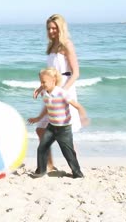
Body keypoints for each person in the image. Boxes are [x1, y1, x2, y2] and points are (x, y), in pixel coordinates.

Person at [33, 14, 81, 171]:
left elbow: (76, 73)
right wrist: (42, 87)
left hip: (65, 91)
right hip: (52, 93)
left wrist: (63, 91)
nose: (51, 31)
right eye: (49, 28)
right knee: (41, 129)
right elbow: (51, 74)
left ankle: (75, 168)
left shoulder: (67, 45)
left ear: (61, 28)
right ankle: (50, 166)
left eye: (54, 28)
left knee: (66, 133)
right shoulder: (51, 46)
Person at [28, 67, 89, 179]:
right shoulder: (46, 94)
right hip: (51, 127)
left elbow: (77, 105)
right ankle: (41, 171)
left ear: (53, 81)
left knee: (68, 152)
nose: (42, 84)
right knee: (42, 148)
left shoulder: (61, 93)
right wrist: (38, 118)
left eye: (44, 82)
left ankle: (78, 174)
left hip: (64, 128)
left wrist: (83, 116)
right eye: (40, 82)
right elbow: (47, 108)